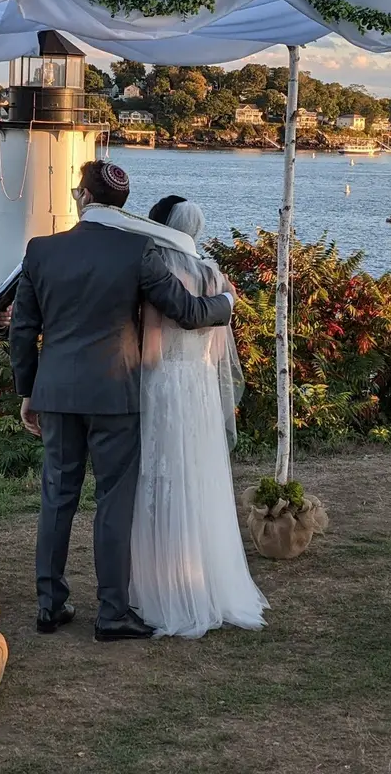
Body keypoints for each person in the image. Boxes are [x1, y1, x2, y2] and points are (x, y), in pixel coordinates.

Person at [9, 161, 235, 642]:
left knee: (57, 497)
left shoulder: (41, 250)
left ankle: (50, 605)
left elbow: (23, 330)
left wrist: (28, 390)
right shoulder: (140, 251)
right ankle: (111, 612)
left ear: (83, 197)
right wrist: (228, 304)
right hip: (115, 393)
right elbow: (189, 312)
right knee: (114, 501)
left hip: (56, 393)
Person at [130, 195, 268, 637]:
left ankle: (160, 585)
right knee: (200, 479)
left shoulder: (158, 275)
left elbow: (151, 354)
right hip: (201, 387)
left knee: (161, 479)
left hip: (166, 386)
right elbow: (213, 348)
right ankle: (208, 579)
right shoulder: (214, 275)